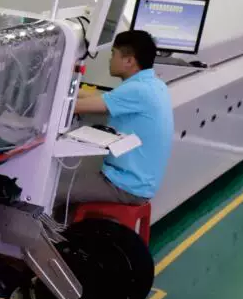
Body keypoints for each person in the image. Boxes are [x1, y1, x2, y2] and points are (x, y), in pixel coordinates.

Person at [59, 28, 173, 211]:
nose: (110, 59)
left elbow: (75, 107)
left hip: (125, 185)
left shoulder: (137, 90)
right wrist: (71, 88)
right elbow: (105, 98)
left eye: (113, 54)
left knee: (51, 188)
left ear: (129, 61)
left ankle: (53, 229)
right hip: (137, 181)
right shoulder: (154, 84)